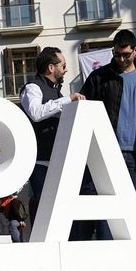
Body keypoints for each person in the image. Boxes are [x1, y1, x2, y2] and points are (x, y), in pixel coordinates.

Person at [80, 29, 136, 239]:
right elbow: (83, 107)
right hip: (103, 152)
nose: (121, 59)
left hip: (135, 155)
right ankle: (103, 249)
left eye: (126, 54)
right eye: (117, 54)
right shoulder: (99, 77)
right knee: (100, 204)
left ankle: (126, 254)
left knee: (130, 207)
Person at [20, 47, 84, 222]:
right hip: (40, 162)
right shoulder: (33, 87)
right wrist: (67, 100)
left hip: (58, 159)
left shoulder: (57, 92)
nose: (66, 69)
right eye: (63, 65)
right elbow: (36, 112)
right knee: (44, 208)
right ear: (51, 67)